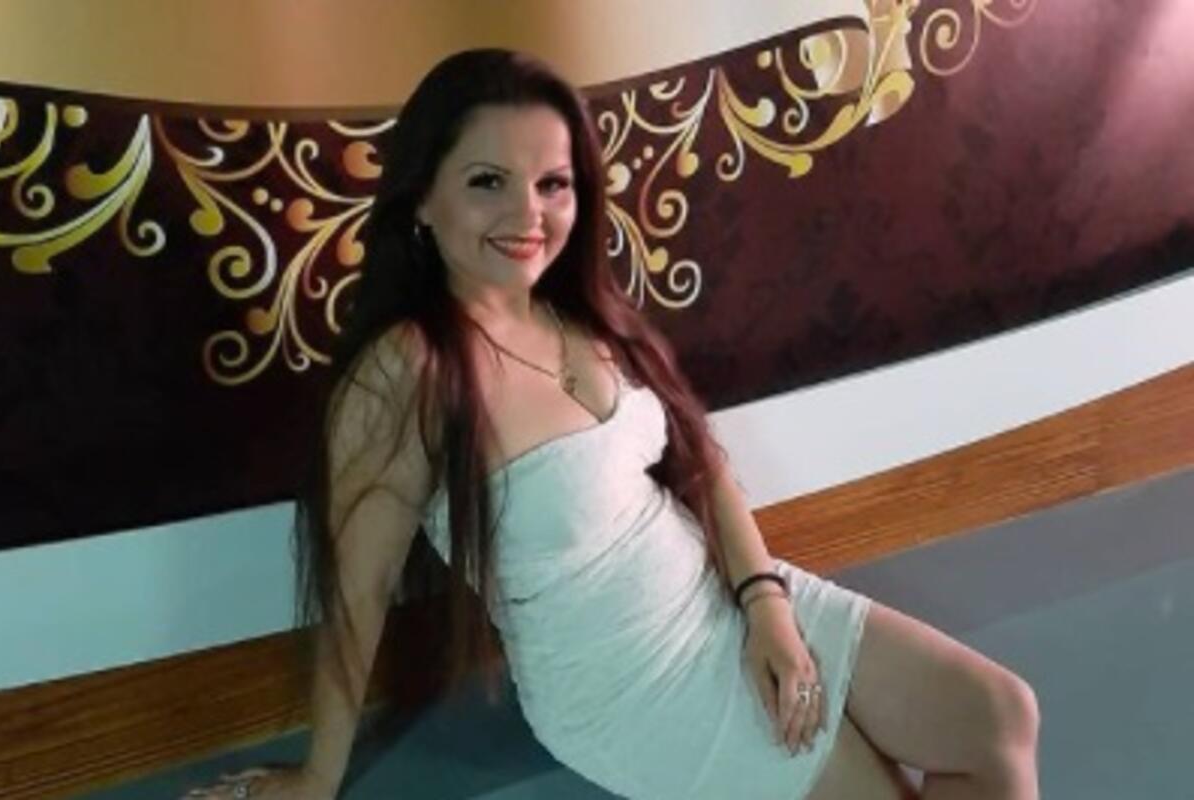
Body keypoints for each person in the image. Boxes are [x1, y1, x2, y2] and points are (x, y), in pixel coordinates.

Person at [183, 48, 1040, 800]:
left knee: (1001, 716)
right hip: (632, 683)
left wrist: (765, 605)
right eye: (487, 182)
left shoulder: (577, 314)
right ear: (423, 202)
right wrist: (316, 780)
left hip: (727, 596)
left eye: (551, 184)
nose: (528, 215)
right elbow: (356, 596)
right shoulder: (404, 374)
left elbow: (702, 469)